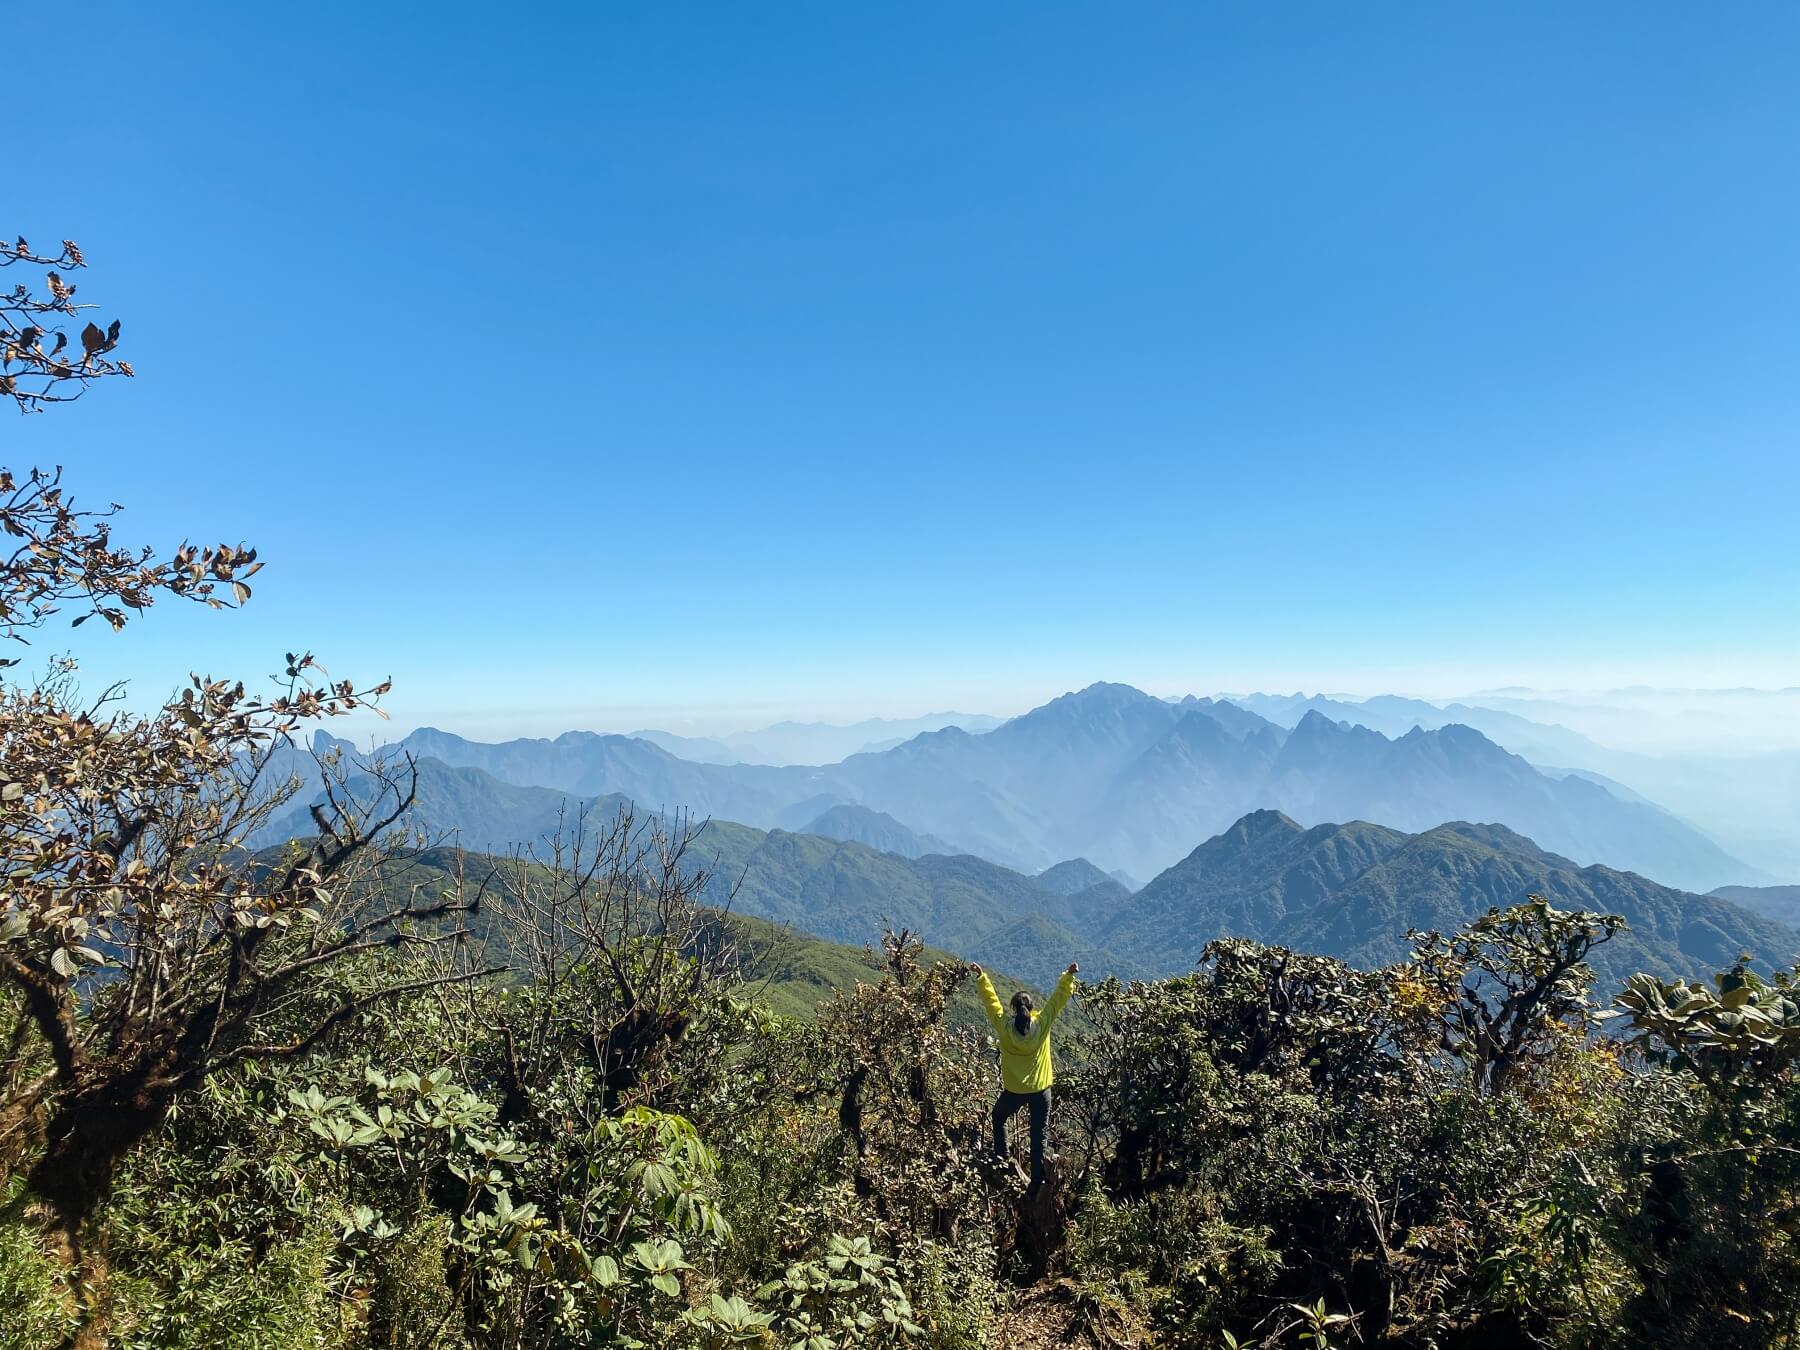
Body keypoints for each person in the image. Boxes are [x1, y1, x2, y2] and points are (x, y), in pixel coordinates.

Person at [970, 960, 1078, 1195]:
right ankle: (1037, 1181)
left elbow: (991, 1003)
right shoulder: (1042, 1023)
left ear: (1013, 1009)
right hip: (1041, 1090)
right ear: (1031, 1009)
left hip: (1015, 1091)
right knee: (1039, 1134)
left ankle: (1001, 1155)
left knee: (999, 1116)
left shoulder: (1004, 1026)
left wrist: (982, 977)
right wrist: (1068, 976)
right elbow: (1057, 1000)